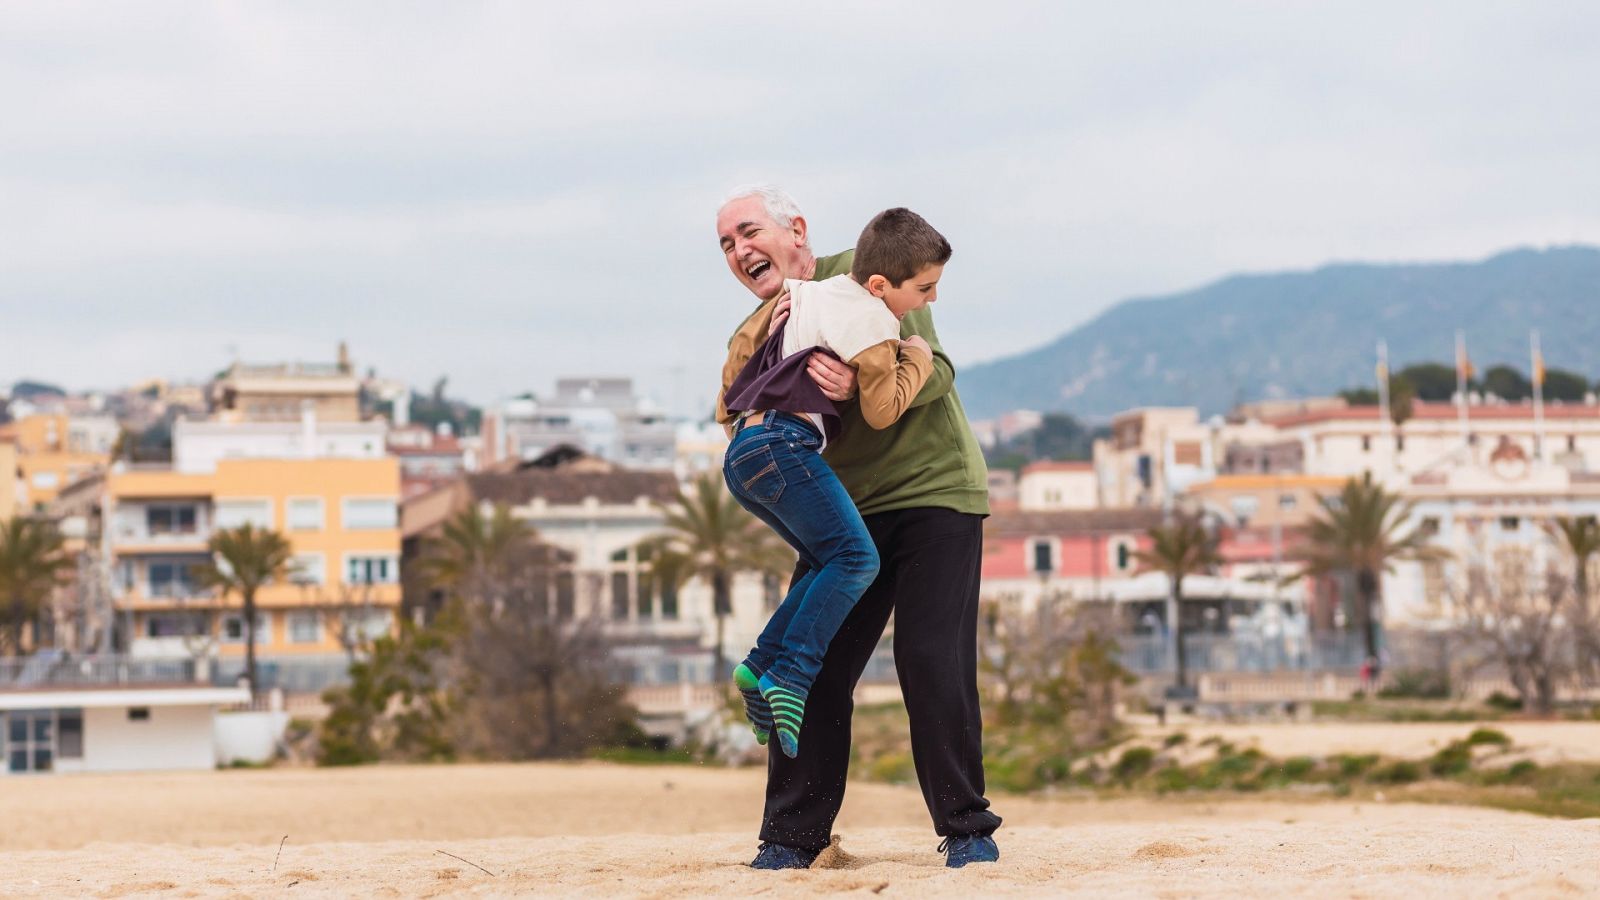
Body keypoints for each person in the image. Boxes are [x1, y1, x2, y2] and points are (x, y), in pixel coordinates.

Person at [713, 185, 1002, 870]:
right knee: (815, 664)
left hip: (936, 493)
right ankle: (789, 840)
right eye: (726, 244)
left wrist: (857, 385)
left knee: (931, 662)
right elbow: (735, 408)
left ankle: (966, 829)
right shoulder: (762, 323)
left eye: (749, 231)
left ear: (796, 231)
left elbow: (939, 371)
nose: (740, 251)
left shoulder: (872, 269)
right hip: (850, 514)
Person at [719, 207, 945, 759]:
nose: (930, 302)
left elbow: (729, 393)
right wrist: (912, 355)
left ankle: (757, 666)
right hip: (783, 444)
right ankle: (789, 677)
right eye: (924, 288)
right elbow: (886, 408)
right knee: (857, 561)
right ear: (879, 284)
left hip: (744, 453)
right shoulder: (873, 322)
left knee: (828, 560)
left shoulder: (806, 294)